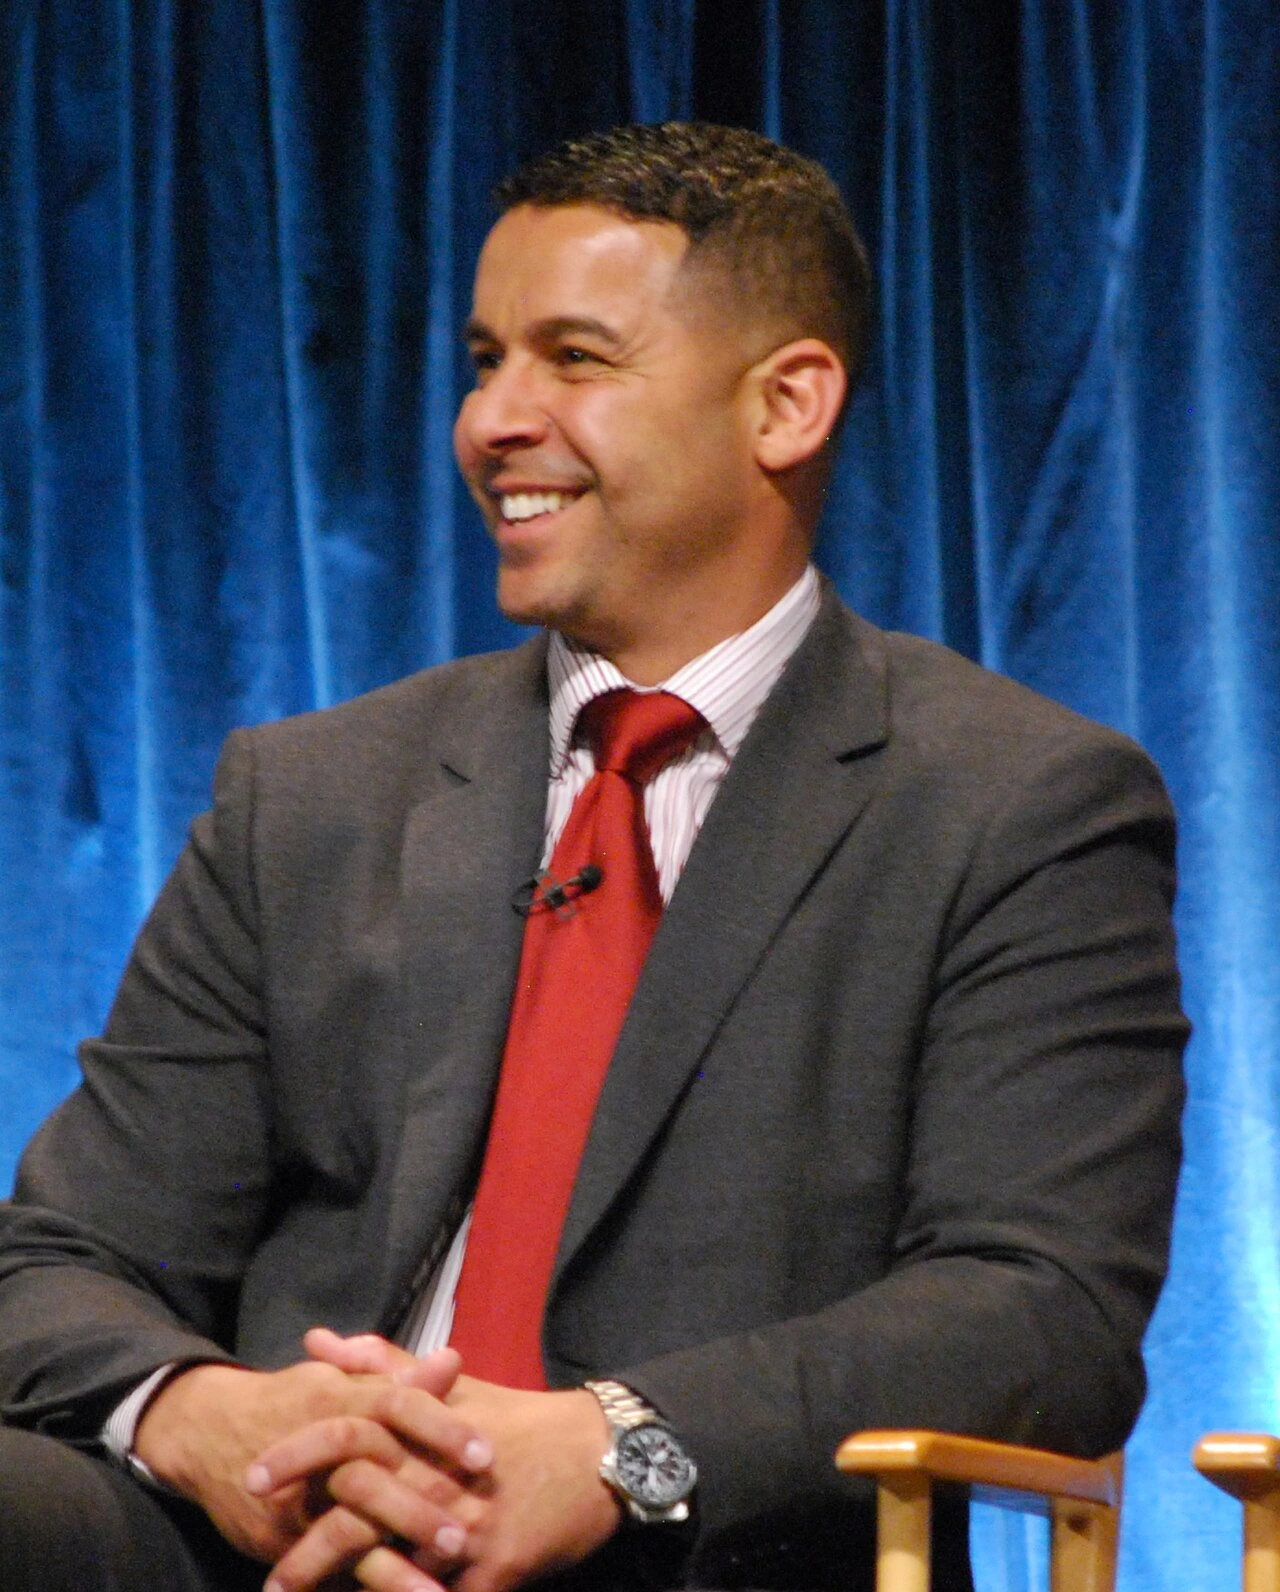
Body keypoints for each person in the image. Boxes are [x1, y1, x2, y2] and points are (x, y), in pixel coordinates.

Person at [0, 122, 1187, 1592]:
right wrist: (210, 1419)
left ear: (787, 404)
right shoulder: (307, 796)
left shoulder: (1015, 805)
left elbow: (1043, 1314)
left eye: (573, 358)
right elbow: (50, 1259)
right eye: (483, 359)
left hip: (690, 1545)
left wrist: (621, 1449)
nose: (494, 419)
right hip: (279, 1548)